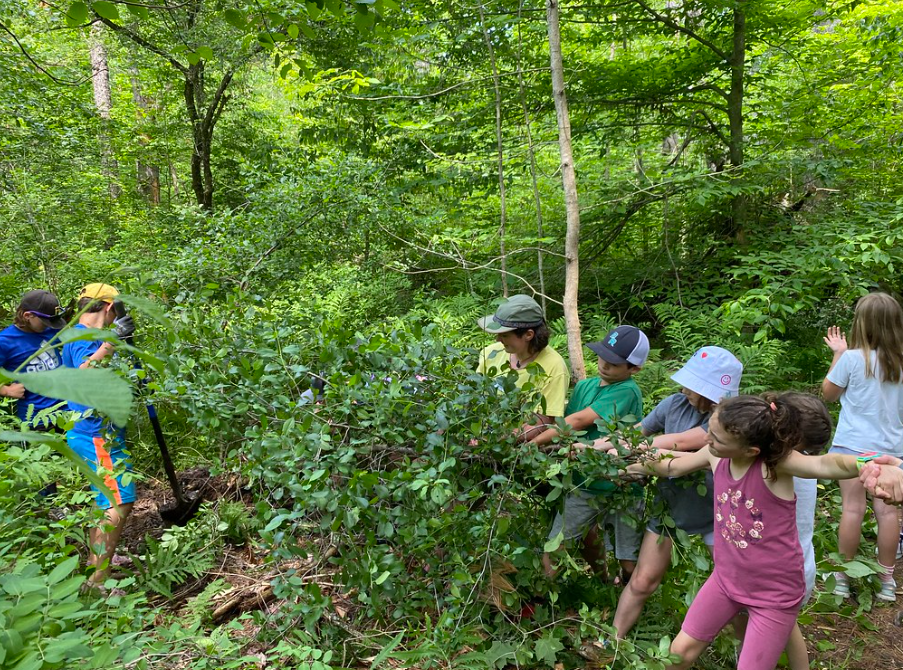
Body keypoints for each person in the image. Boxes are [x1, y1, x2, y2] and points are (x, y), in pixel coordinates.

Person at [626, 395, 864, 670]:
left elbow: (825, 464)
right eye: (710, 432)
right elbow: (672, 464)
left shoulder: (773, 467)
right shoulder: (715, 456)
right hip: (726, 580)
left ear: (750, 450)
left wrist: (870, 466)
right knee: (678, 653)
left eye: (716, 438)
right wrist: (630, 461)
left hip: (773, 595)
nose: (707, 441)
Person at [591, 346, 743, 639]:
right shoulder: (675, 404)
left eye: (694, 386)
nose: (685, 388)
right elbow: (637, 433)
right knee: (643, 580)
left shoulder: (728, 420)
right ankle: (612, 641)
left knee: (736, 588)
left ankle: (747, 652)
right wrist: (597, 447)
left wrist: (627, 456)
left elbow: (680, 443)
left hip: (718, 514)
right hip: (670, 509)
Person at [530, 325, 648, 580]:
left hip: (622, 485)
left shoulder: (627, 390)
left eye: (615, 363)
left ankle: (632, 597)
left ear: (634, 369)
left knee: (627, 556)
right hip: (584, 483)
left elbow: (579, 421)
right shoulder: (585, 386)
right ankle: (557, 596)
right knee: (556, 545)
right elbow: (566, 424)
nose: (605, 364)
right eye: (603, 356)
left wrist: (535, 441)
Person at [822, 292, 903, 602]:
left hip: (852, 447)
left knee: (852, 509)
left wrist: (839, 353)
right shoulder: (900, 362)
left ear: (861, 324)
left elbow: (828, 393)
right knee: (888, 514)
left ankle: (841, 577)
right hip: (892, 452)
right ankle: (886, 581)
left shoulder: (853, 359)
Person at [62, 283, 136, 586]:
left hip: (97, 433)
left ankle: (96, 565)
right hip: (96, 436)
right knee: (120, 501)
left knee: (105, 501)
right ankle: (99, 580)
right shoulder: (85, 337)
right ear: (109, 308)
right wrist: (112, 342)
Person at [476, 295, 569, 441]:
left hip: (516, 444)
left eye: (504, 335)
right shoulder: (490, 353)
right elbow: (474, 398)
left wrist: (496, 440)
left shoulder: (553, 367)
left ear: (528, 334)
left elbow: (541, 423)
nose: (498, 340)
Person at [0, 290, 67, 427]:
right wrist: (6, 390)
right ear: (28, 316)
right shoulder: (5, 341)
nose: (49, 326)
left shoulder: (50, 330)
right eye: (45, 322)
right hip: (36, 419)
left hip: (67, 411)